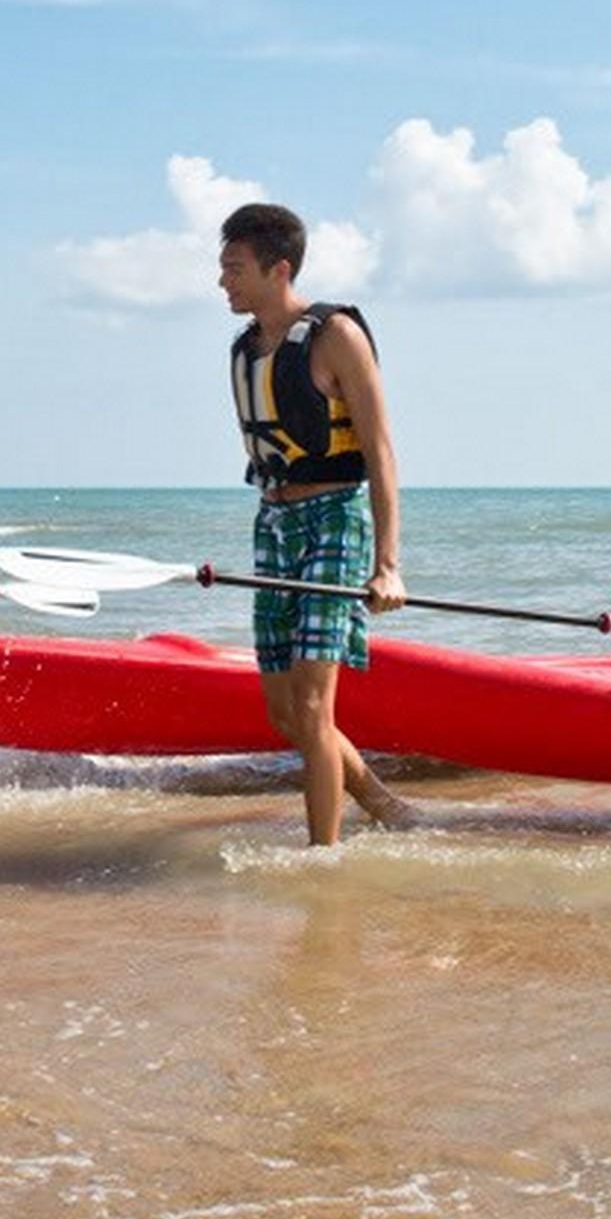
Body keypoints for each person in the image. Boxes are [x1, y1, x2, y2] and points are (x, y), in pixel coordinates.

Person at [217, 201, 414, 845]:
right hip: (273, 524)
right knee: (285, 715)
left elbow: (380, 449)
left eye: (234, 267)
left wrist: (388, 564)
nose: (223, 281)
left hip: (335, 520)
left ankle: (322, 863)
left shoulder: (336, 337)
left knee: (312, 706)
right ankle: (383, 804)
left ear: (279, 269)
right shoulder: (244, 350)